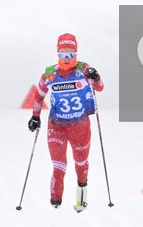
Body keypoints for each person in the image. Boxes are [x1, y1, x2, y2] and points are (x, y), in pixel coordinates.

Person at [28, 32, 103, 211]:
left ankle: (81, 200)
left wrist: (96, 76)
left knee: (81, 165)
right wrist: (35, 116)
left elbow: (99, 88)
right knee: (59, 166)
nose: (67, 57)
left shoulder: (84, 69)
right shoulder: (49, 74)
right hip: (57, 127)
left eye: (71, 53)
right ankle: (55, 204)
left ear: (76, 53)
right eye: (63, 53)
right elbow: (38, 97)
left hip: (81, 127)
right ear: (58, 53)